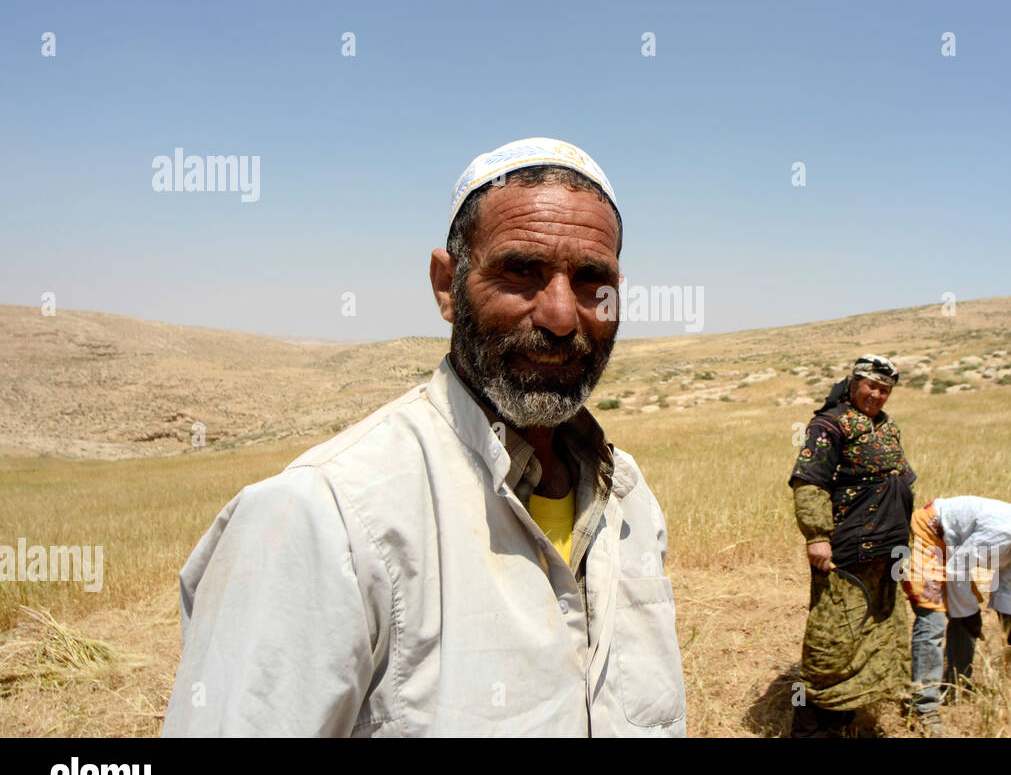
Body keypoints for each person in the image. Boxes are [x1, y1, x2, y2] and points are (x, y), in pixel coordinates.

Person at [162, 137, 687, 737]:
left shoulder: (626, 498)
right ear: (447, 285)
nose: (562, 316)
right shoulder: (324, 518)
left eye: (592, 279)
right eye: (521, 271)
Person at [788, 354, 916, 737]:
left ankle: (845, 719)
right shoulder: (829, 425)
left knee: (873, 632)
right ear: (854, 383)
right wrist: (817, 536)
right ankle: (812, 729)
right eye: (872, 386)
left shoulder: (887, 428)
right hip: (847, 550)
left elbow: (903, 476)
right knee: (834, 637)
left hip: (887, 550)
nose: (877, 395)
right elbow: (810, 482)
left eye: (885, 390)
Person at [902, 491, 1011, 736]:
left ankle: (957, 686)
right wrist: (969, 613)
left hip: (955, 549)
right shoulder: (1010, 530)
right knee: (934, 616)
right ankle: (923, 705)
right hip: (933, 531)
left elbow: (1003, 585)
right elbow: (959, 565)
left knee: (965, 613)